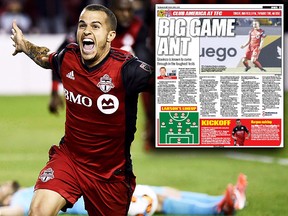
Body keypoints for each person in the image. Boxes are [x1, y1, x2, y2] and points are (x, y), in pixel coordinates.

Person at [11, 3, 154, 216]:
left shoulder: (128, 70)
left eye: (95, 26)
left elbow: (169, 83)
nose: (86, 31)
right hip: (70, 159)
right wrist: (24, 45)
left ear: (109, 35)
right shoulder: (69, 57)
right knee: (38, 211)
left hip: (110, 173)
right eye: (82, 25)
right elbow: (45, 59)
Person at [49, 0, 155, 151]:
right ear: (112, 11)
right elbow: (61, 58)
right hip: (89, 81)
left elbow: (144, 57)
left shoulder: (138, 27)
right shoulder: (88, 29)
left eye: (130, 11)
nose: (126, 15)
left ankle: (150, 133)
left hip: (117, 82)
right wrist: (54, 91)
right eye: (121, 11)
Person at [0, 173, 248, 216]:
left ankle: (223, 198)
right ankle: (218, 209)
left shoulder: (27, 190)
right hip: (102, 203)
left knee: (165, 192)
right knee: (158, 201)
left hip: (104, 189)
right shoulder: (21, 203)